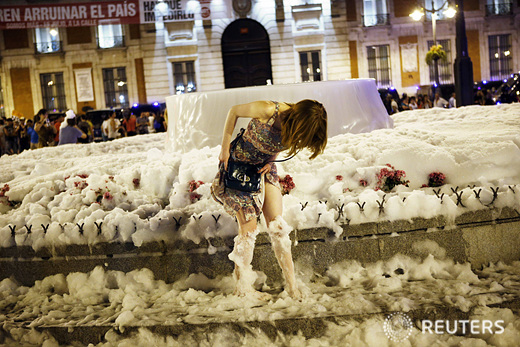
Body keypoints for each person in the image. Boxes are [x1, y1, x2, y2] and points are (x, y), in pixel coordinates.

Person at [211, 100, 327, 299]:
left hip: (264, 168)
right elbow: (233, 110)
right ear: (297, 120)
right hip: (240, 168)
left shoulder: (298, 129)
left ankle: (292, 287)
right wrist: (224, 148)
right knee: (248, 229)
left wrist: (272, 159)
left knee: (278, 226)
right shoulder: (267, 110)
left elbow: (281, 142)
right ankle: (243, 289)